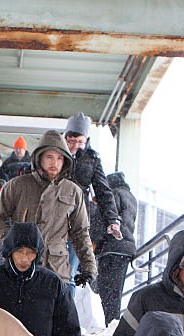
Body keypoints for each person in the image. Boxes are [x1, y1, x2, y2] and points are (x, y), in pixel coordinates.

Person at [0, 130, 97, 290]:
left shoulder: (73, 191)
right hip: (21, 268)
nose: (55, 163)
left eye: (60, 158)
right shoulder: (17, 185)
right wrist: (14, 242)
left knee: (58, 314)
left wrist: (89, 267)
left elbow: (80, 232)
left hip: (57, 270)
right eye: (49, 157)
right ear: (39, 158)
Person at [63, 113, 128, 308]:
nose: (74, 146)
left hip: (78, 221)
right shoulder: (54, 154)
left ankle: (65, 314)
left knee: (70, 271)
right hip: (52, 217)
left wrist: (112, 220)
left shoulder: (92, 159)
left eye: (79, 141)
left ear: (86, 140)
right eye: (70, 140)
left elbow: (103, 191)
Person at [95, 172, 138, 324]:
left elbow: (104, 220)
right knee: (116, 290)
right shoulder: (131, 197)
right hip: (126, 249)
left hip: (112, 246)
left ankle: (108, 323)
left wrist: (96, 243)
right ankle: (112, 321)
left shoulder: (114, 194)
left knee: (106, 290)